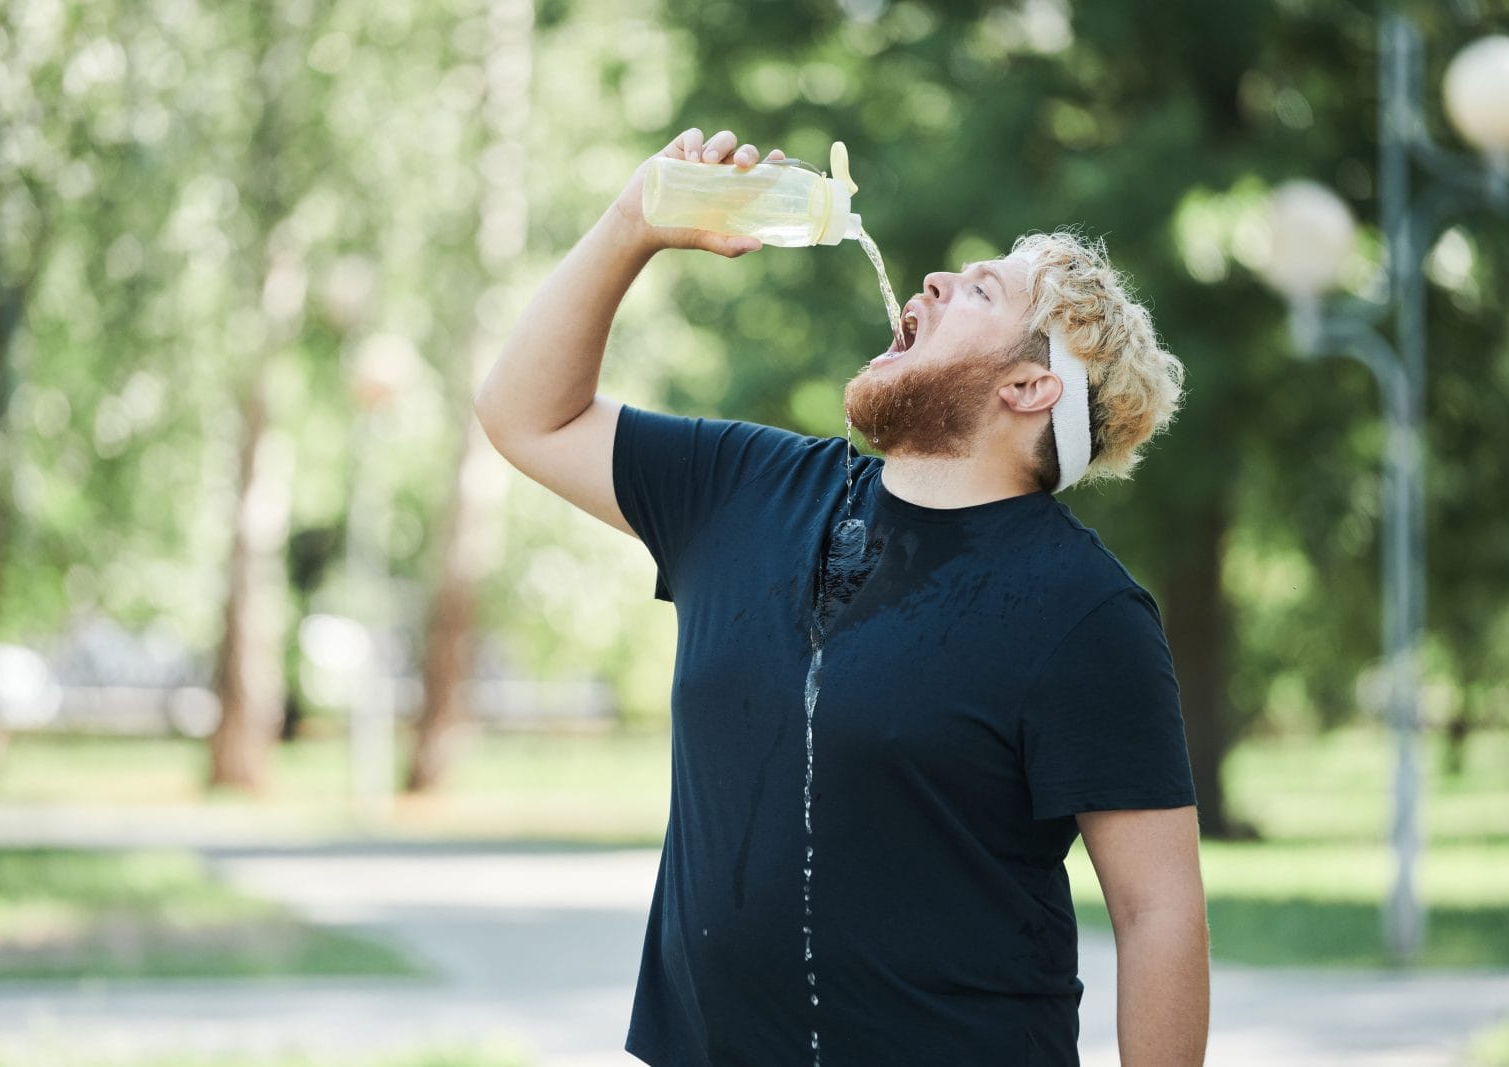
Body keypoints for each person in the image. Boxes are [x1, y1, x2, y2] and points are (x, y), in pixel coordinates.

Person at [475, 127, 1209, 1066]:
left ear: (1029, 385)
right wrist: (635, 224)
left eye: (980, 289)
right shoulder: (744, 488)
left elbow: (1159, 913)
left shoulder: (1084, 613)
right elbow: (523, 415)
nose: (934, 284)